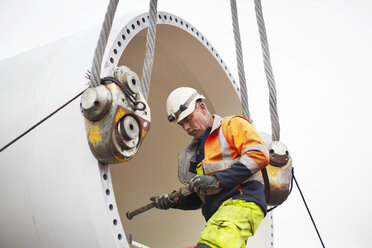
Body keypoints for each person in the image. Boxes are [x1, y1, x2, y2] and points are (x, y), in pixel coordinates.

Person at [151, 87, 270, 248]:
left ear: (202, 108)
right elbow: (200, 197)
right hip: (219, 217)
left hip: (241, 204)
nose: (186, 127)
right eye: (181, 124)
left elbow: (258, 154)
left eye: (188, 119)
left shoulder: (232, 125)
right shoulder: (195, 154)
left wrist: (217, 180)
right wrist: (175, 201)